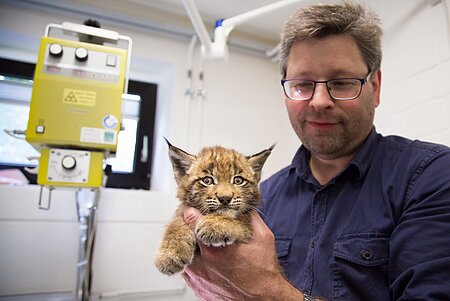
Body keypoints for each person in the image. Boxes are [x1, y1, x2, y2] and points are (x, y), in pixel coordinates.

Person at [181, 2, 450, 300]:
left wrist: (270, 293)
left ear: (375, 86)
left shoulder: (431, 176)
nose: (319, 101)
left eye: (342, 82)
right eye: (302, 84)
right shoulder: (264, 197)